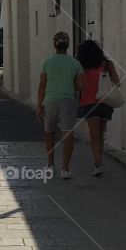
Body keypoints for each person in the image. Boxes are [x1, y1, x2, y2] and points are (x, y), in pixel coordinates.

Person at [36, 30, 84, 179]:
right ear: (68, 45)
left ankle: (50, 164)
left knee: (49, 133)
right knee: (68, 134)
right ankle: (65, 168)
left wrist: (39, 105)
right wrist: (70, 84)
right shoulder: (75, 63)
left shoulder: (47, 62)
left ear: (54, 45)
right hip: (68, 100)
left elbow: (42, 85)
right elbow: (82, 86)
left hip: (50, 100)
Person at [76, 38, 119, 177]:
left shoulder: (82, 66)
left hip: (89, 103)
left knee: (94, 136)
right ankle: (99, 160)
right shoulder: (107, 64)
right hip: (105, 102)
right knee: (100, 134)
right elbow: (117, 83)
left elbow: (78, 86)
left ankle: (98, 163)